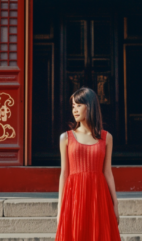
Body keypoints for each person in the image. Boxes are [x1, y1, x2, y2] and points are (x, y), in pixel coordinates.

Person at [55, 86, 121, 241]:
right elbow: (64, 173)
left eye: (79, 105)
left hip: (99, 196)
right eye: (73, 106)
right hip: (74, 196)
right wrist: (60, 207)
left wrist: (115, 204)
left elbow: (107, 172)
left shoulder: (106, 138)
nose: (74, 110)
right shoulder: (65, 138)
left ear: (90, 106)